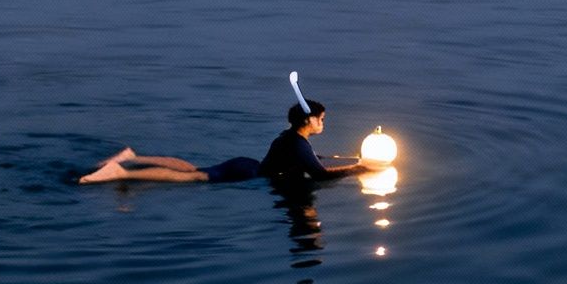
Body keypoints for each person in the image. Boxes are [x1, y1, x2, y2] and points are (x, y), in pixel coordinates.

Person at [78, 99, 362, 185]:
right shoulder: (299, 144)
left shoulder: (291, 138)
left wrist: (349, 161)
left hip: (245, 164)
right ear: (307, 121)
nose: (323, 123)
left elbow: (311, 161)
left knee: (192, 168)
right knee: (195, 177)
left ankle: (133, 157)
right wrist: (359, 169)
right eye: (321, 119)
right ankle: (122, 172)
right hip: (248, 172)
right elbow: (320, 176)